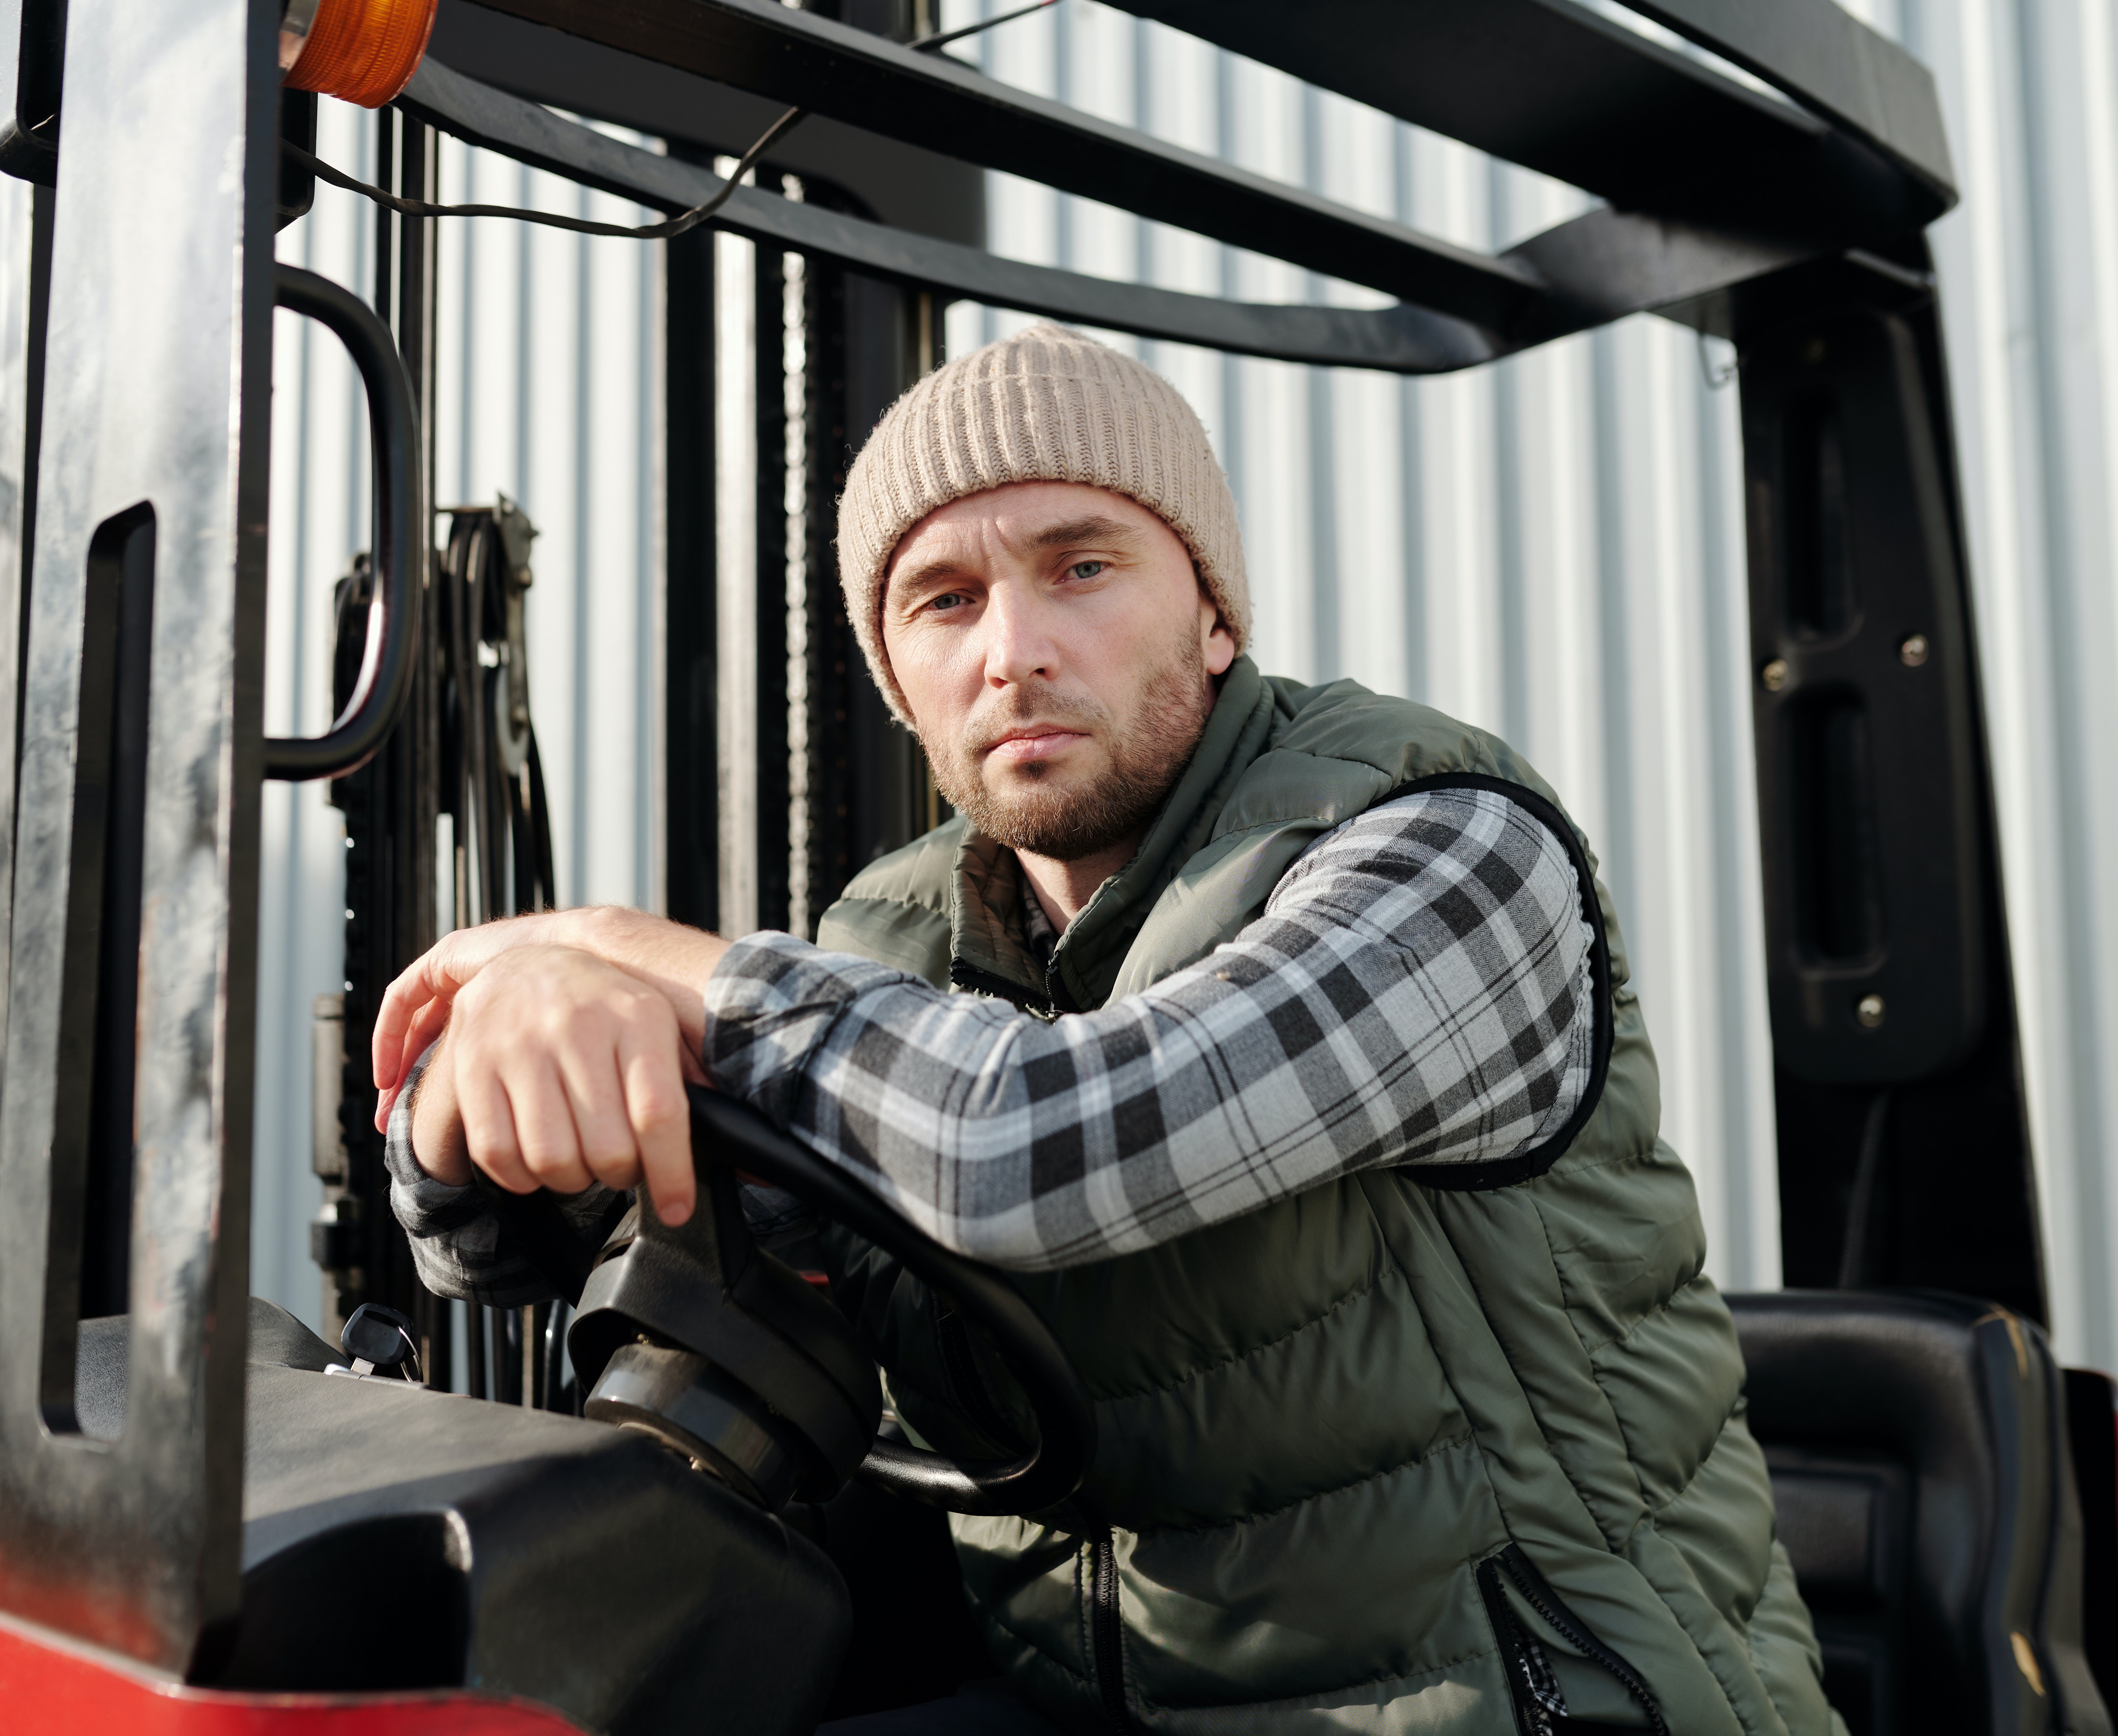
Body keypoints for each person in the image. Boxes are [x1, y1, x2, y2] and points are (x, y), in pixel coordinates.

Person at [372, 326, 1839, 1734]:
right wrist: (501, 1079)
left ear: (1213, 614)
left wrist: (640, 955)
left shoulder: (1446, 851)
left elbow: (1035, 1147)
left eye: (1080, 567)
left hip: (1536, 1702)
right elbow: (549, 1252)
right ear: (897, 680)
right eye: (942, 601)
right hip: (1093, 1697)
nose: (1013, 649)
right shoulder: (890, 942)